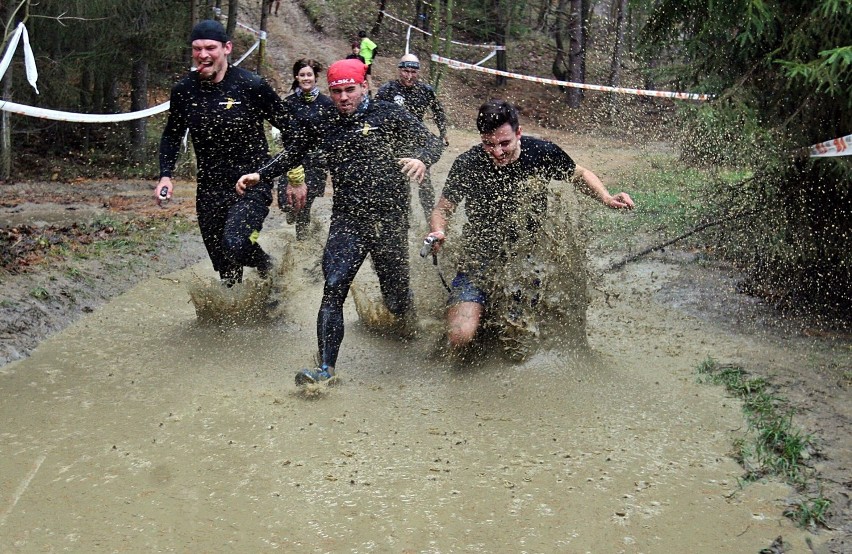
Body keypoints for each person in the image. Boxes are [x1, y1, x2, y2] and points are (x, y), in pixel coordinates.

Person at [236, 59, 444, 386]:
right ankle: (325, 369)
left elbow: (432, 142)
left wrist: (421, 158)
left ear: (364, 86)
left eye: (350, 90)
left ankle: (407, 319)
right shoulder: (325, 120)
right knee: (333, 286)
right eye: (337, 91)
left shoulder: (389, 113)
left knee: (395, 299)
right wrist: (260, 175)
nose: (344, 97)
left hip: (388, 221)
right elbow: (294, 152)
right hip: (347, 219)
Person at [425, 100, 635, 351]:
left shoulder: (541, 153)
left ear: (519, 133)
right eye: (489, 144)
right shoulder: (468, 163)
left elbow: (579, 175)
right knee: (460, 337)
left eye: (505, 143)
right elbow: (442, 209)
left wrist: (605, 197)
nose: (498, 152)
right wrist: (438, 231)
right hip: (478, 255)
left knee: (517, 342)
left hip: (527, 257)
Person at [155, 20, 293, 286]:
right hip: (209, 187)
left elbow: (292, 129)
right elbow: (172, 134)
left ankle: (271, 271)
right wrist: (165, 175)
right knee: (226, 267)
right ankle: (234, 318)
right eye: (197, 49)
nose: (203, 55)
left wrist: (294, 176)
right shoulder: (184, 91)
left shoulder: (251, 86)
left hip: (251, 183)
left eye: (210, 48)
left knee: (237, 243)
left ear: (227, 48)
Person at [375, 53, 448, 222]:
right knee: (400, 184)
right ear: (399, 70)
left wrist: (443, 133)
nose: (409, 76)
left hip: (417, 142)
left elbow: (438, 112)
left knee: (425, 182)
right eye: (405, 71)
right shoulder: (387, 90)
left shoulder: (426, 91)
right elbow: (376, 114)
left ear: (418, 72)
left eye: (413, 72)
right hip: (395, 143)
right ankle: (403, 218)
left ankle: (431, 218)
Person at [281, 58, 335, 240]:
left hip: (316, 162)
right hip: (292, 159)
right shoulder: (288, 104)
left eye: (309, 75)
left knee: (304, 204)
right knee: (285, 202)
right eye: (302, 75)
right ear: (297, 77)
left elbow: (332, 132)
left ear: (315, 77)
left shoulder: (326, 104)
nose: (306, 78)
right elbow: (283, 132)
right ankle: (291, 211)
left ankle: (302, 244)